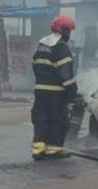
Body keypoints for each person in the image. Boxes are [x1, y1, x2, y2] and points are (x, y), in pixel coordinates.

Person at [31, 15, 78, 160]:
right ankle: (53, 150)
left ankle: (38, 150)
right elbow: (66, 73)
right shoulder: (61, 47)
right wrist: (72, 91)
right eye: (69, 31)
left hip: (40, 91)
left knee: (41, 119)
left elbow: (35, 64)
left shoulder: (42, 44)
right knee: (58, 120)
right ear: (64, 31)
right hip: (56, 93)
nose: (70, 34)